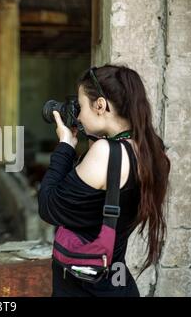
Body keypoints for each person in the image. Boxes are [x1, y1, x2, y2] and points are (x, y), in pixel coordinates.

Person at [38, 65, 171, 297]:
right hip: (117, 283)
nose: (78, 116)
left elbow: (49, 207)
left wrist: (65, 146)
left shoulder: (105, 153)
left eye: (81, 107)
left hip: (86, 288)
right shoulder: (151, 149)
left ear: (100, 105)